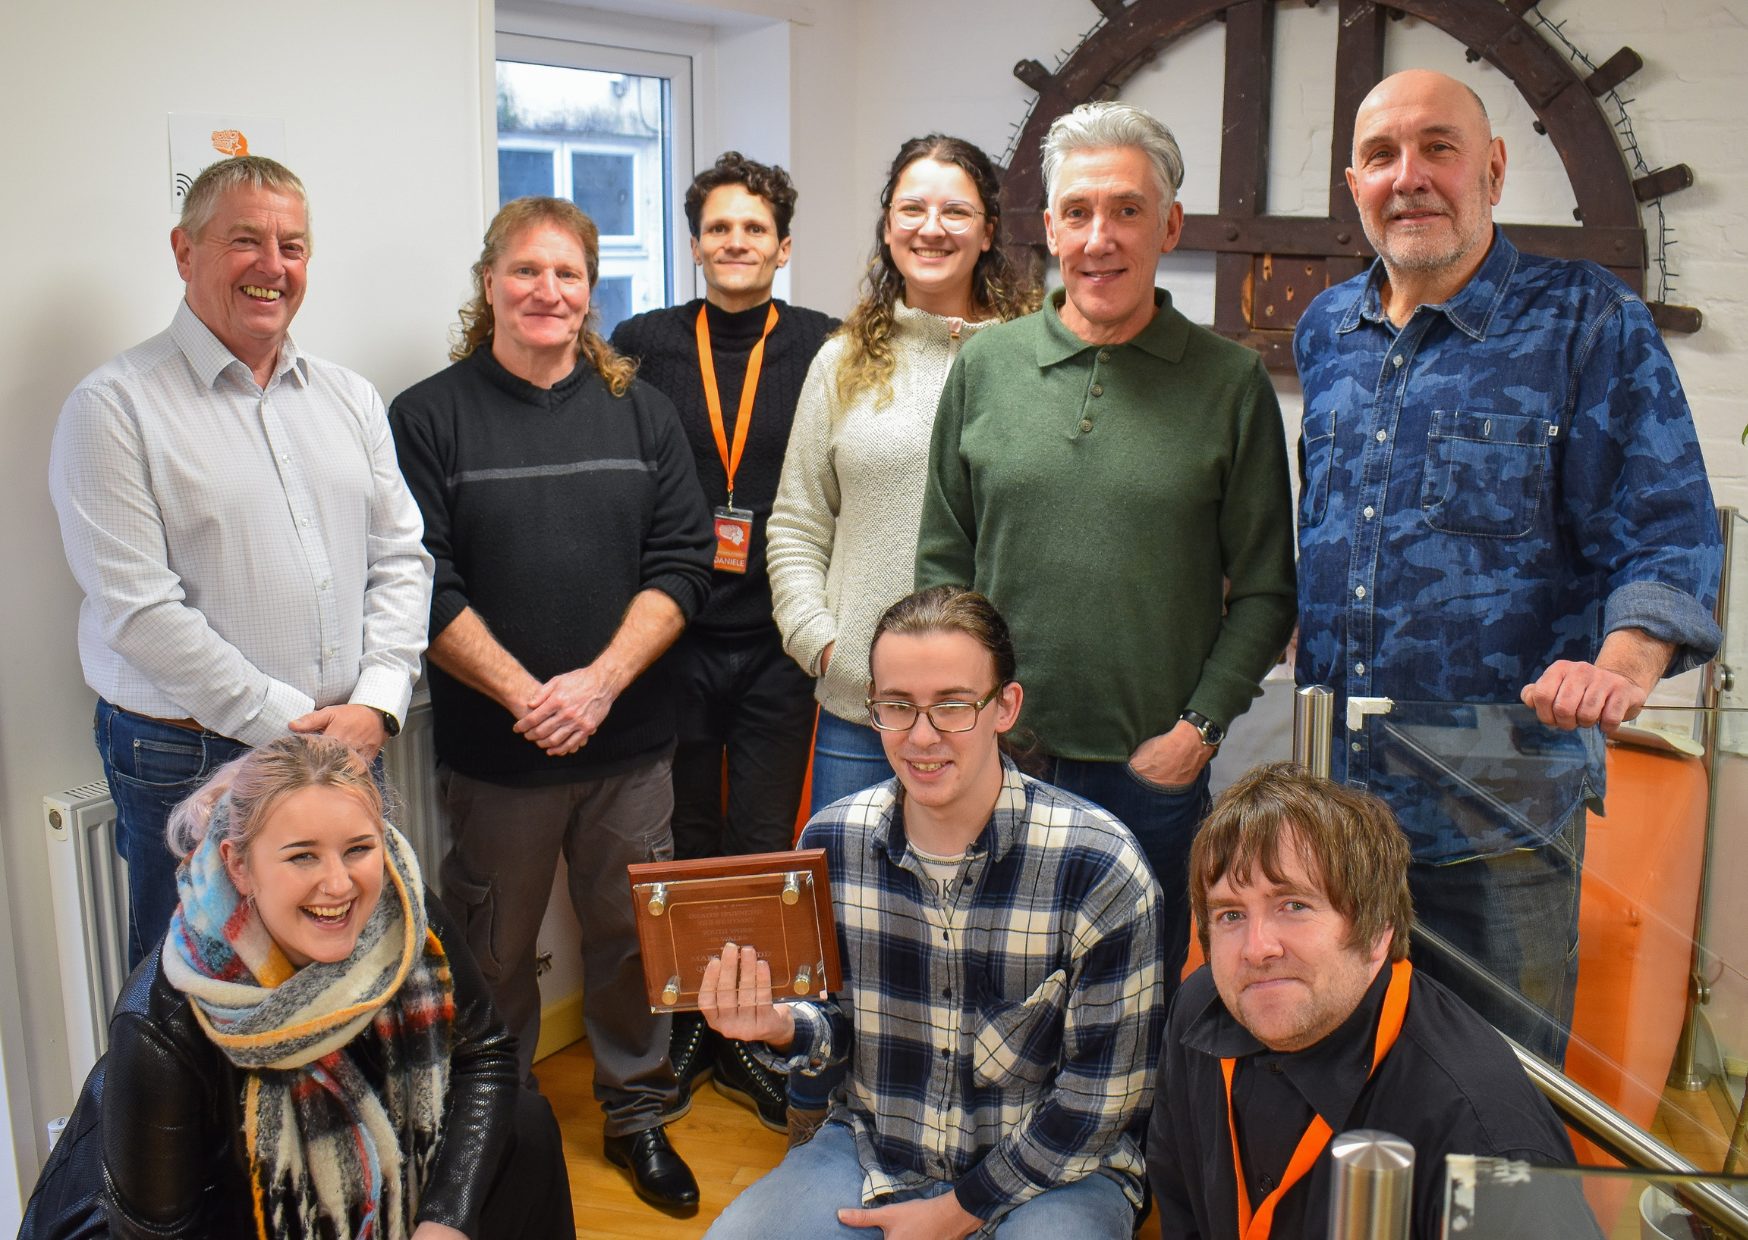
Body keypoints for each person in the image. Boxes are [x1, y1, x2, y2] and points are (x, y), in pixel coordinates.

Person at [1293, 68, 1722, 1062]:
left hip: (1496, 817)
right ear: (1351, 181)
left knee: (1495, 1118)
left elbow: (1666, 530)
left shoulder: (1586, 323)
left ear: (1489, 168)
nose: (1410, 177)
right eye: (1382, 156)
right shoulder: (1325, 332)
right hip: (1335, 815)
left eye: (1437, 147)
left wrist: (1618, 668)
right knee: (1340, 1094)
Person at [915, 101, 1296, 990]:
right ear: (1047, 228)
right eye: (1078, 212)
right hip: (1002, 758)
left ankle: (1127, 1134)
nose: (1100, 237)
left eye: (1127, 210)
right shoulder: (985, 367)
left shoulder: (1230, 384)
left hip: (1150, 775)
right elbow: (943, 564)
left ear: (1170, 225)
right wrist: (963, 720)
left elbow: (1270, 591)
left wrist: (1194, 733)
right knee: (988, 981)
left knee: (1133, 997)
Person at [389, 197, 713, 1213]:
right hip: (499, 751)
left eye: (567, 274)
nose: (547, 292)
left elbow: (684, 560)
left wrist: (601, 681)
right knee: (492, 957)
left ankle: (638, 1114)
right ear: (488, 282)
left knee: (632, 943)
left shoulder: (639, 410)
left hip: (631, 745)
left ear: (590, 291)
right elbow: (419, 583)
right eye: (526, 272)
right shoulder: (427, 416)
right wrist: (530, 694)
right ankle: (500, 1131)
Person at [48, 155, 433, 967]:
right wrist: (297, 734)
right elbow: (139, 612)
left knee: (344, 965)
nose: (273, 266)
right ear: (185, 252)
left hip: (348, 736)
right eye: (246, 241)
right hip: (189, 754)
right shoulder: (113, 407)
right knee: (192, 990)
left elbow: (402, 557)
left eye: (293, 246)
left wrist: (379, 699)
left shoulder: (349, 397)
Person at [700, 586, 1164, 1239]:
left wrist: (955, 1213)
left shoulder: (1101, 866)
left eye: (952, 705)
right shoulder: (830, 841)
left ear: (1006, 706)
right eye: (898, 706)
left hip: (1055, 1173)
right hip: (875, 1152)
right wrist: (778, 1025)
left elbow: (1099, 1104)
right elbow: (832, 1026)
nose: (922, 737)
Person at [94, 734, 572, 1239]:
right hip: (244, 1220)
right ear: (240, 865)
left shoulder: (404, 912)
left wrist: (446, 1220)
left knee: (527, 1125)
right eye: (303, 856)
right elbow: (154, 1233)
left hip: (399, 1190)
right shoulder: (159, 1023)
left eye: (358, 849)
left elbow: (486, 1054)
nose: (340, 885)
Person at [610, 152, 838, 1130]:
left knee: (757, 841)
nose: (735, 243)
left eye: (754, 229)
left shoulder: (827, 345)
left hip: (779, 638)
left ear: (783, 246)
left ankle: (754, 1031)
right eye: (718, 228)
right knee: (683, 843)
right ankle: (694, 1025)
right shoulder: (641, 340)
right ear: (694, 241)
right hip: (674, 636)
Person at [1149, 762, 1583, 1240]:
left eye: (1293, 905)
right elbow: (1181, 1209)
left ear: (1378, 931)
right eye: (1231, 914)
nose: (1257, 948)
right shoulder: (1199, 1008)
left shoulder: (1486, 1142)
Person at [768, 134, 1037, 816]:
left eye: (955, 211)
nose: (931, 228)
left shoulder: (1036, 359)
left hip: (1002, 714)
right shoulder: (841, 363)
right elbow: (797, 525)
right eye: (912, 208)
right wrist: (827, 649)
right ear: (888, 226)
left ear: (988, 231)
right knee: (857, 914)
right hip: (865, 709)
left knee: (994, 915)